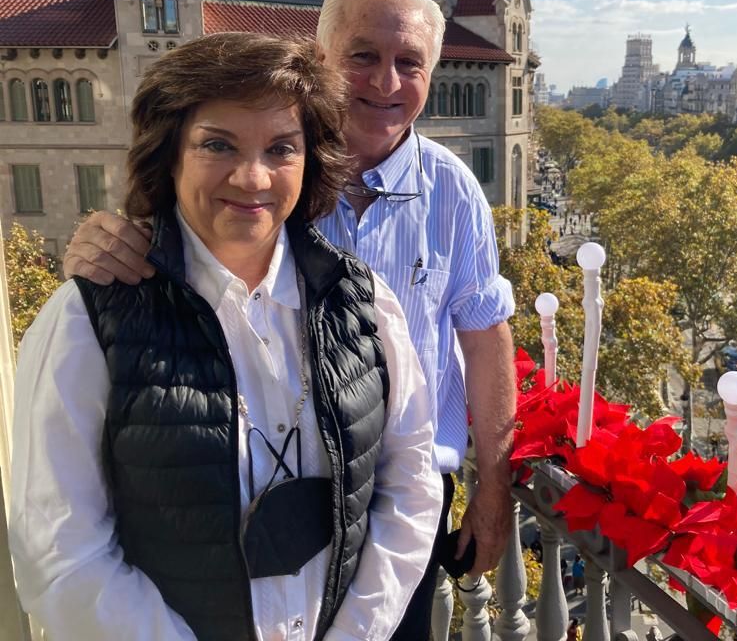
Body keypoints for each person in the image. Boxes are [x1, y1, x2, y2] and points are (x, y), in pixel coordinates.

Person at [61, 0, 516, 641]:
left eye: (409, 62)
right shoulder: (264, 180)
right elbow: (159, 246)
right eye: (363, 56)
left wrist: (494, 492)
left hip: (404, 500)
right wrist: (101, 243)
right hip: (242, 495)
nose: (386, 83)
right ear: (322, 57)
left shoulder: (455, 192)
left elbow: (486, 338)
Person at [10, 32, 441, 641]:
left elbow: (410, 483)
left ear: (309, 160)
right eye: (218, 144)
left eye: (281, 148)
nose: (252, 176)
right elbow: (59, 552)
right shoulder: (88, 320)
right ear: (170, 156)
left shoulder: (366, 304)